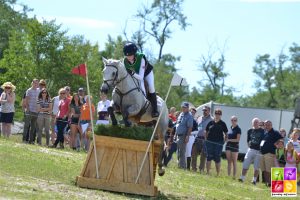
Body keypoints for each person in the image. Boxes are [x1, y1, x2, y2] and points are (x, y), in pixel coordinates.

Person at [123, 42, 159, 117]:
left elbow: (141, 77)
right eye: (127, 56)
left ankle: (155, 110)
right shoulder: (125, 61)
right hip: (136, 74)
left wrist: (132, 73)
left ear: (134, 53)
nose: (128, 57)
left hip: (146, 73)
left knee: (151, 87)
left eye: (130, 55)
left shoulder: (141, 58)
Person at [239, 118, 265, 185]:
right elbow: (248, 140)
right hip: (251, 149)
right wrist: (249, 147)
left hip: (259, 151)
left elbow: (264, 140)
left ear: (259, 123)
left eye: (257, 122)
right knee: (245, 163)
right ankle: (242, 178)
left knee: (256, 166)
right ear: (252, 123)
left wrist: (261, 148)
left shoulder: (263, 131)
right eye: (254, 122)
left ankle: (254, 180)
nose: (255, 123)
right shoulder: (249, 130)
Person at [205, 108, 228, 176]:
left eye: (219, 114)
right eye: (216, 113)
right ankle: (208, 172)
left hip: (219, 143)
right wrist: (206, 139)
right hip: (209, 142)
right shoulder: (210, 122)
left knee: (217, 157)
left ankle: (217, 174)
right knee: (209, 156)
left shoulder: (223, 123)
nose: (217, 115)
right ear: (214, 114)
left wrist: (224, 141)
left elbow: (226, 133)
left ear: (221, 115)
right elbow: (206, 131)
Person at [260, 120, 282, 187]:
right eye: (266, 124)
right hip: (262, 153)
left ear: (271, 125)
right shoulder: (265, 132)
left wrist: (276, 144)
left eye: (269, 124)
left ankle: (270, 183)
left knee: (269, 169)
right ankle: (267, 182)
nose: (267, 126)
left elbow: (281, 139)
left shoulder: (275, 132)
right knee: (264, 169)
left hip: (270, 153)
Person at [191, 105, 213, 173]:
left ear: (209, 111)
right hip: (197, 138)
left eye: (205, 110)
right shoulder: (199, 118)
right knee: (193, 154)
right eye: (203, 110)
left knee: (203, 156)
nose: (204, 111)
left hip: (206, 139)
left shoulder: (212, 119)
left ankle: (201, 169)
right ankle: (194, 169)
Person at [175, 102, 193, 169]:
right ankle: (180, 165)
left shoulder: (189, 116)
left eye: (185, 107)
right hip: (178, 135)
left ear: (188, 108)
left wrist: (187, 136)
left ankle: (182, 167)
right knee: (179, 151)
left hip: (184, 135)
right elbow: (178, 124)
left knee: (182, 151)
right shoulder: (181, 114)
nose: (183, 108)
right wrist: (175, 134)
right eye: (182, 107)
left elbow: (190, 127)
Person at [23, 79, 40, 144]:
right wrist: (27, 109)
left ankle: (31, 140)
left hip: (36, 111)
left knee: (33, 127)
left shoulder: (39, 91)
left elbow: (39, 101)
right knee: (26, 126)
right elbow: (26, 101)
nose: (36, 84)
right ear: (32, 83)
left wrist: (38, 109)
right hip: (29, 110)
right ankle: (24, 139)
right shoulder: (29, 90)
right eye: (35, 83)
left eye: (37, 83)